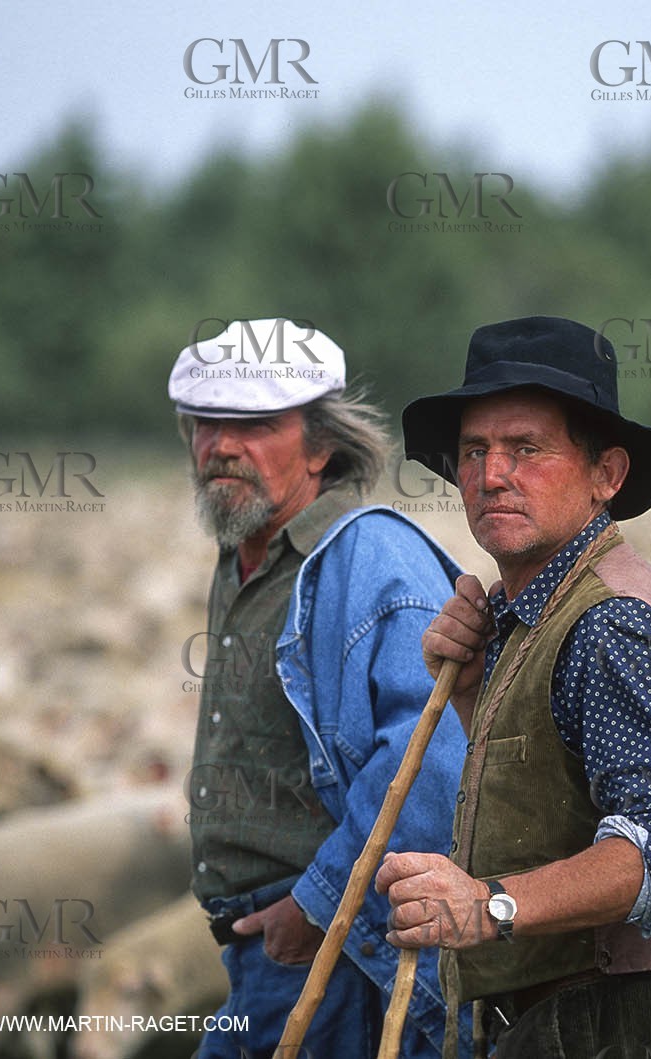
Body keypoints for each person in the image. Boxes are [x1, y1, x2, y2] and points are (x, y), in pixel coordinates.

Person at [375, 315, 651, 1058]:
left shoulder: (611, 625)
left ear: (605, 475)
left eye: (526, 449)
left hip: (624, 1024)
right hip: (564, 1020)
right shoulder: (531, 612)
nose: (491, 475)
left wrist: (489, 905)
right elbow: (555, 790)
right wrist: (472, 690)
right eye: (475, 451)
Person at [171, 317, 472, 1059]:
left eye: (258, 424)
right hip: (262, 948)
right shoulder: (246, 554)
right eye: (207, 422)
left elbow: (430, 758)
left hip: (341, 952)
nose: (223, 446)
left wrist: (317, 903)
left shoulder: (369, 558)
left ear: (322, 445)